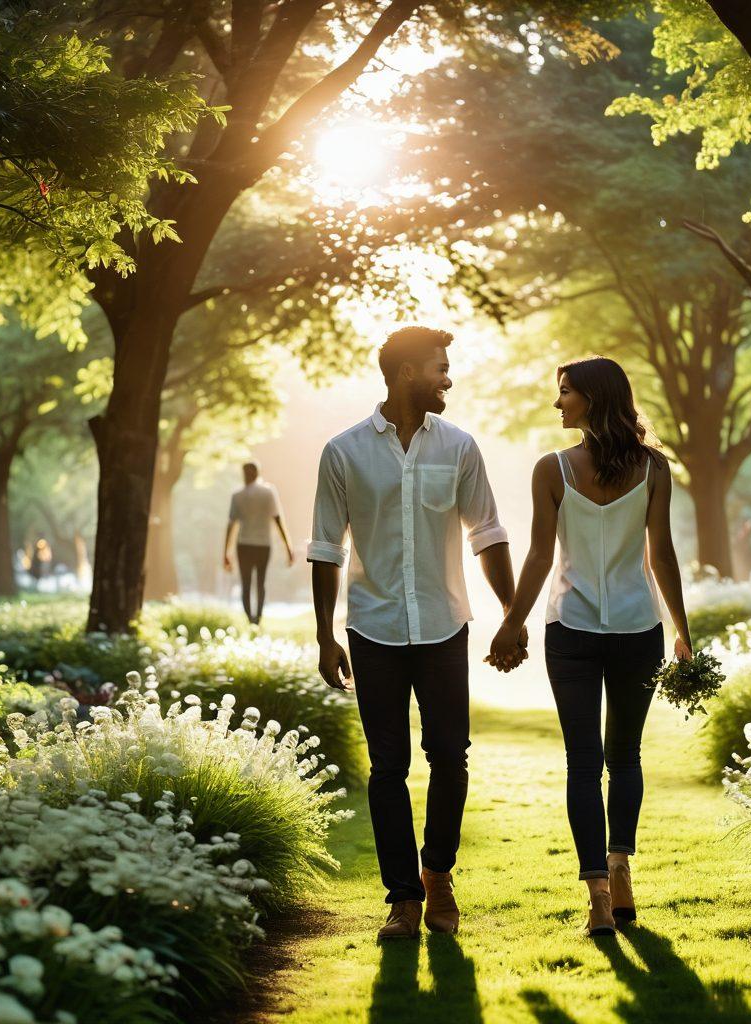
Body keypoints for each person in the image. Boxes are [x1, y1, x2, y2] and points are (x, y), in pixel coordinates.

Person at [309, 325, 526, 941]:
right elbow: (326, 548)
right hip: (373, 629)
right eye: (439, 367)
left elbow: (487, 532)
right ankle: (402, 899)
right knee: (387, 768)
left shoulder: (458, 447)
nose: (448, 378)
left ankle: (438, 874)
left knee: (450, 758)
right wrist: (326, 636)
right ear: (407, 374)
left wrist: (510, 614)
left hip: (441, 624)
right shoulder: (343, 452)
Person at [488, 356, 693, 937]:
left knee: (585, 761)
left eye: (565, 392)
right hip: (637, 628)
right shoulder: (654, 468)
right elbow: (663, 556)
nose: (558, 403)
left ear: (594, 399)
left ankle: (600, 896)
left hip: (572, 630)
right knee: (624, 757)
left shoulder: (551, 469)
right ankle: (619, 869)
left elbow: (538, 556)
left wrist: (513, 621)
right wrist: (681, 630)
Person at [224, 462, 294, 625]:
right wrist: (288, 548)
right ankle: (258, 619)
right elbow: (278, 520)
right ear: (258, 473)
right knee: (261, 582)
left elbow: (231, 525)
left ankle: (250, 619)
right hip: (263, 544)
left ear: (245, 474)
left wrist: (225, 553)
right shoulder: (269, 492)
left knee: (246, 583)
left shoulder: (237, 495)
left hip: (244, 545)